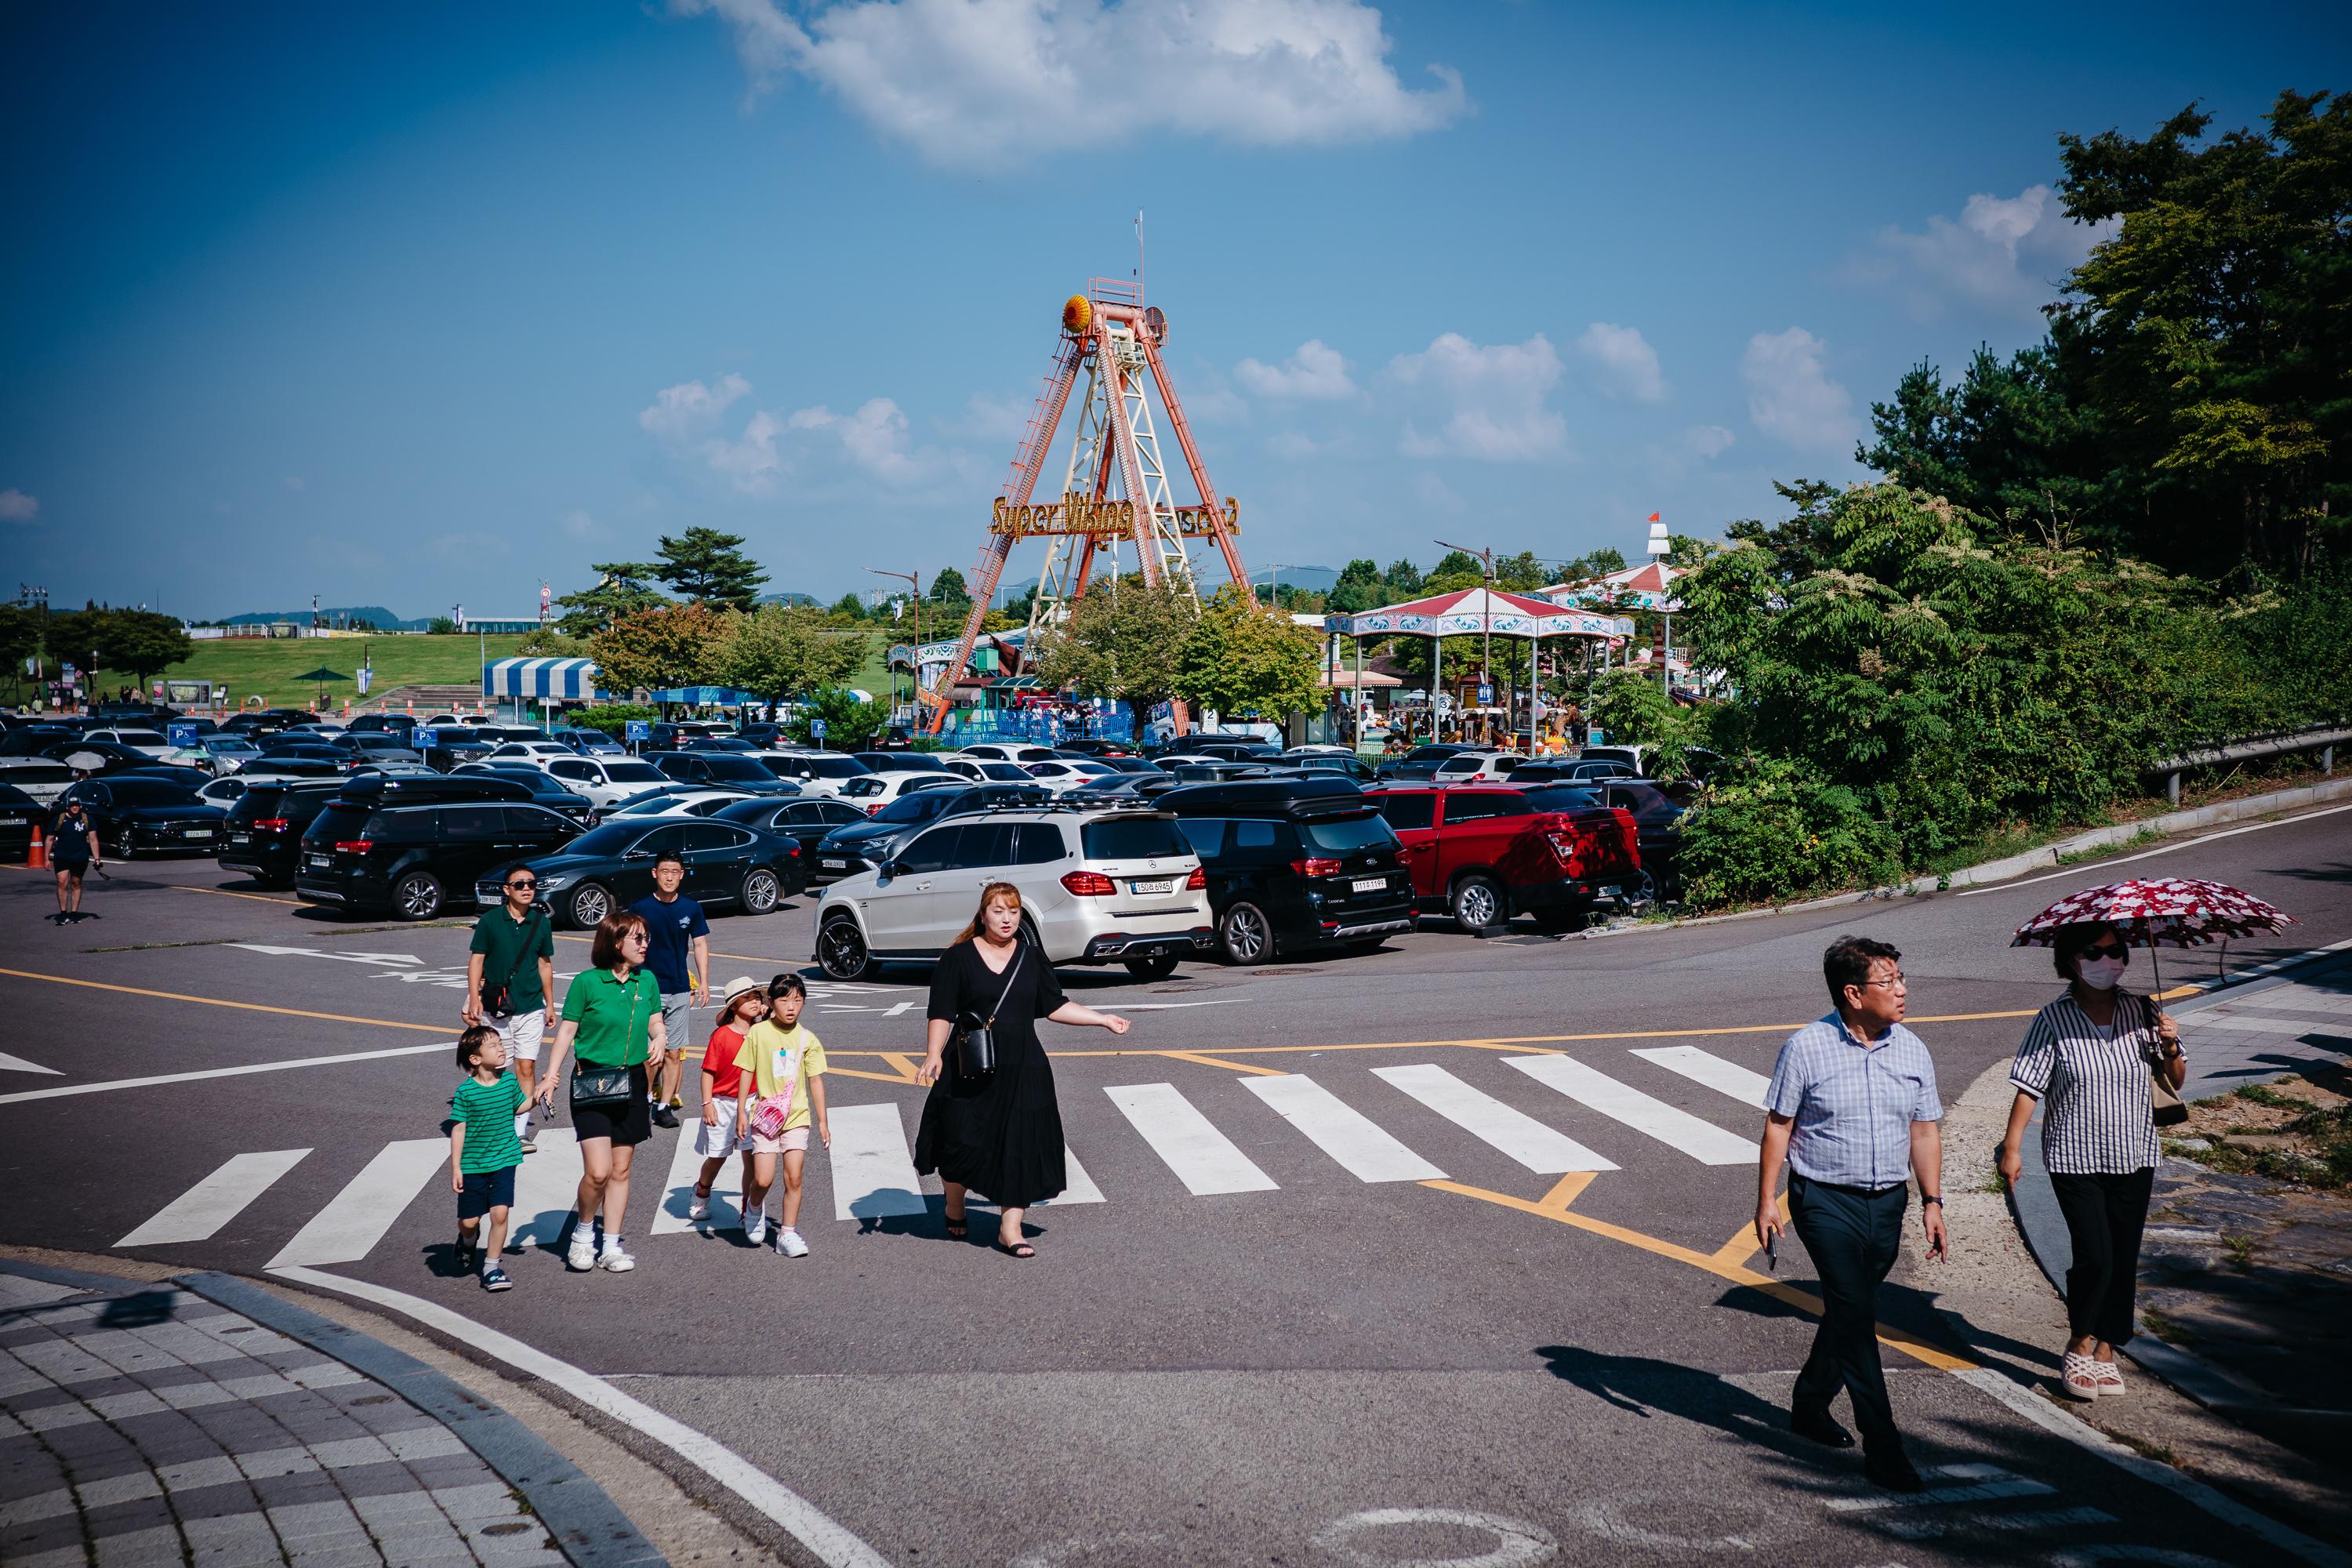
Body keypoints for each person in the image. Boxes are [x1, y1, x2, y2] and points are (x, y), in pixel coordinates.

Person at [1754, 934, 1947, 1493]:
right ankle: (1884, 1446)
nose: (1902, 991)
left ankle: (1810, 1401)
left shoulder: (1911, 1049)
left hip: (1888, 1202)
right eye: (1889, 982)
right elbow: (1779, 1125)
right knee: (1857, 1316)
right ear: (1853, 993)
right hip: (1823, 1201)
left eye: (1901, 978)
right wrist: (1767, 1200)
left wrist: (1933, 1202)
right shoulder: (1807, 1047)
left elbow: (1925, 1129)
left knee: (1849, 1309)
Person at [1998, 923, 2185, 1402]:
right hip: (2073, 1155)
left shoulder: (2143, 1010)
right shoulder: (2053, 1018)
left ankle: (2107, 1348)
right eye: (2094, 952)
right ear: (2071, 961)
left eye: (2116, 950)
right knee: (2095, 1256)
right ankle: (2079, 1341)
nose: (2108, 960)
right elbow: (2029, 1087)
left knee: (2123, 1256)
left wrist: (2169, 1043)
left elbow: (2176, 1081)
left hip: (2134, 1152)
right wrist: (2012, 1147)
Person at [915, 882, 1132, 1258]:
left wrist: (1102, 1019)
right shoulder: (958, 958)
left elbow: (1054, 1005)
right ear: (983, 915)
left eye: (1013, 912)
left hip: (1023, 1068)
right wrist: (933, 1054)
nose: (1006, 919)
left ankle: (1010, 1228)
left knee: (1021, 1145)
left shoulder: (1031, 958)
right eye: (998, 911)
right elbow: (942, 1011)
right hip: (971, 1065)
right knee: (957, 1141)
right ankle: (954, 1202)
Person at [538, 910, 667, 1274]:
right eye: (637, 938)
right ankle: (582, 1236)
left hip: (633, 1082)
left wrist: (660, 1037)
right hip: (592, 1081)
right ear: (615, 942)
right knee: (598, 1171)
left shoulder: (648, 981)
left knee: (621, 1170)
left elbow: (656, 1021)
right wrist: (551, 1076)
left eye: (647, 937)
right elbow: (566, 1032)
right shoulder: (587, 983)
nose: (645, 944)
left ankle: (611, 1245)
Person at [733, 973, 830, 1254]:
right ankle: (754, 1207)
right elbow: (746, 1070)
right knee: (763, 1179)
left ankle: (787, 1233)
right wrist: (741, 1112)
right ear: (771, 1003)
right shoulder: (758, 1033)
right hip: (765, 1118)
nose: (791, 1007)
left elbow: (815, 1080)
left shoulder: (807, 1039)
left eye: (798, 1001)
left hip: (797, 1117)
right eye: (785, 1000)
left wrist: (823, 1121)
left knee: (794, 1177)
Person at [462, 866, 557, 1153]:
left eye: (531, 884)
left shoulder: (541, 922)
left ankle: (519, 1132)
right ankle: (490, 1122)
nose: (527, 889)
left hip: (531, 1007)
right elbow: (477, 961)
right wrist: (473, 998)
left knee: (526, 1066)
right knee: (494, 1066)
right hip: (496, 1008)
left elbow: (545, 965)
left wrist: (550, 1003)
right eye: (519, 884)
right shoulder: (490, 921)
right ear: (507, 890)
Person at [629, 852, 708, 1130]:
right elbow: (627, 945)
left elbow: (699, 945)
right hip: (647, 989)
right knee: (651, 1052)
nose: (670, 876)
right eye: (665, 871)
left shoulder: (691, 908)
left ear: (682, 874)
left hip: (679, 989)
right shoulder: (640, 908)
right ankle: (645, 1098)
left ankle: (663, 1107)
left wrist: (704, 982)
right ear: (655, 874)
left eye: (675, 871)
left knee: (674, 1052)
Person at [448, 1025, 523, 1293]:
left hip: (505, 1157)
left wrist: (539, 1095)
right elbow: (459, 1129)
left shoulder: (510, 1082)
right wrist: (456, 1167)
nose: (501, 1049)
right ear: (476, 1059)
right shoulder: (466, 1092)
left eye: (500, 1043)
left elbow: (520, 1105)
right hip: (473, 1164)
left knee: (500, 1213)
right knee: (470, 1222)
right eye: (493, 1046)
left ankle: (492, 1267)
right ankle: (468, 1241)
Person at [690, 976, 766, 1225]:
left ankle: (748, 1208)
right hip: (722, 1103)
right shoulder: (722, 1036)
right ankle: (702, 1190)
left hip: (752, 1103)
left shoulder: (761, 1031)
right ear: (733, 1005)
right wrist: (707, 1104)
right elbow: (708, 1072)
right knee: (717, 1158)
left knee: (752, 1159)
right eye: (748, 998)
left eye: (757, 997)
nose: (755, 1002)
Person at [48, 793, 100, 925]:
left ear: (80, 806)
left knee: (76, 883)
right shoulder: (59, 819)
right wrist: (46, 858)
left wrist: (97, 859)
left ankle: (74, 913)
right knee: (62, 882)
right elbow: (49, 839)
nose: (75, 808)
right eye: (72, 806)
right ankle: (63, 913)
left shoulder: (87, 820)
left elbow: (93, 840)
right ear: (67, 807)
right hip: (62, 856)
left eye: (77, 805)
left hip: (80, 856)